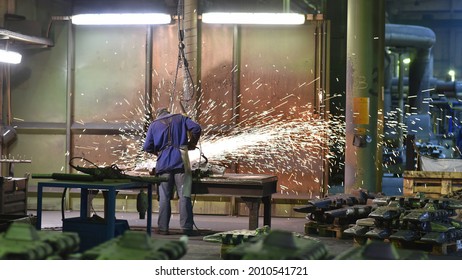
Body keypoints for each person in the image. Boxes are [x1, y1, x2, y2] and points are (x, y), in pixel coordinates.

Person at [143, 107, 202, 236]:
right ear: (168, 112)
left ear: (158, 115)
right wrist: (192, 144)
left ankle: (163, 228)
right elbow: (197, 128)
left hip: (163, 165)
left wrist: (159, 153)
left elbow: (147, 147)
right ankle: (186, 228)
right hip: (181, 163)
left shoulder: (154, 124)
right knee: (184, 195)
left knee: (164, 197)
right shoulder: (180, 118)